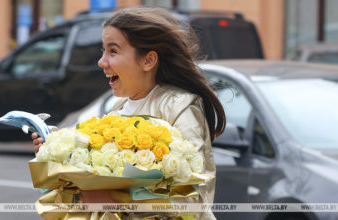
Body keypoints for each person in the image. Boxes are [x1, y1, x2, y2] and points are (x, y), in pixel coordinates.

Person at [32, 7, 226, 220]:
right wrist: (56, 157)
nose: (102, 62)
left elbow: (193, 202)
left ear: (148, 60)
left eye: (113, 51)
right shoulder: (118, 110)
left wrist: (114, 199)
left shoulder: (180, 107)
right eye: (103, 51)